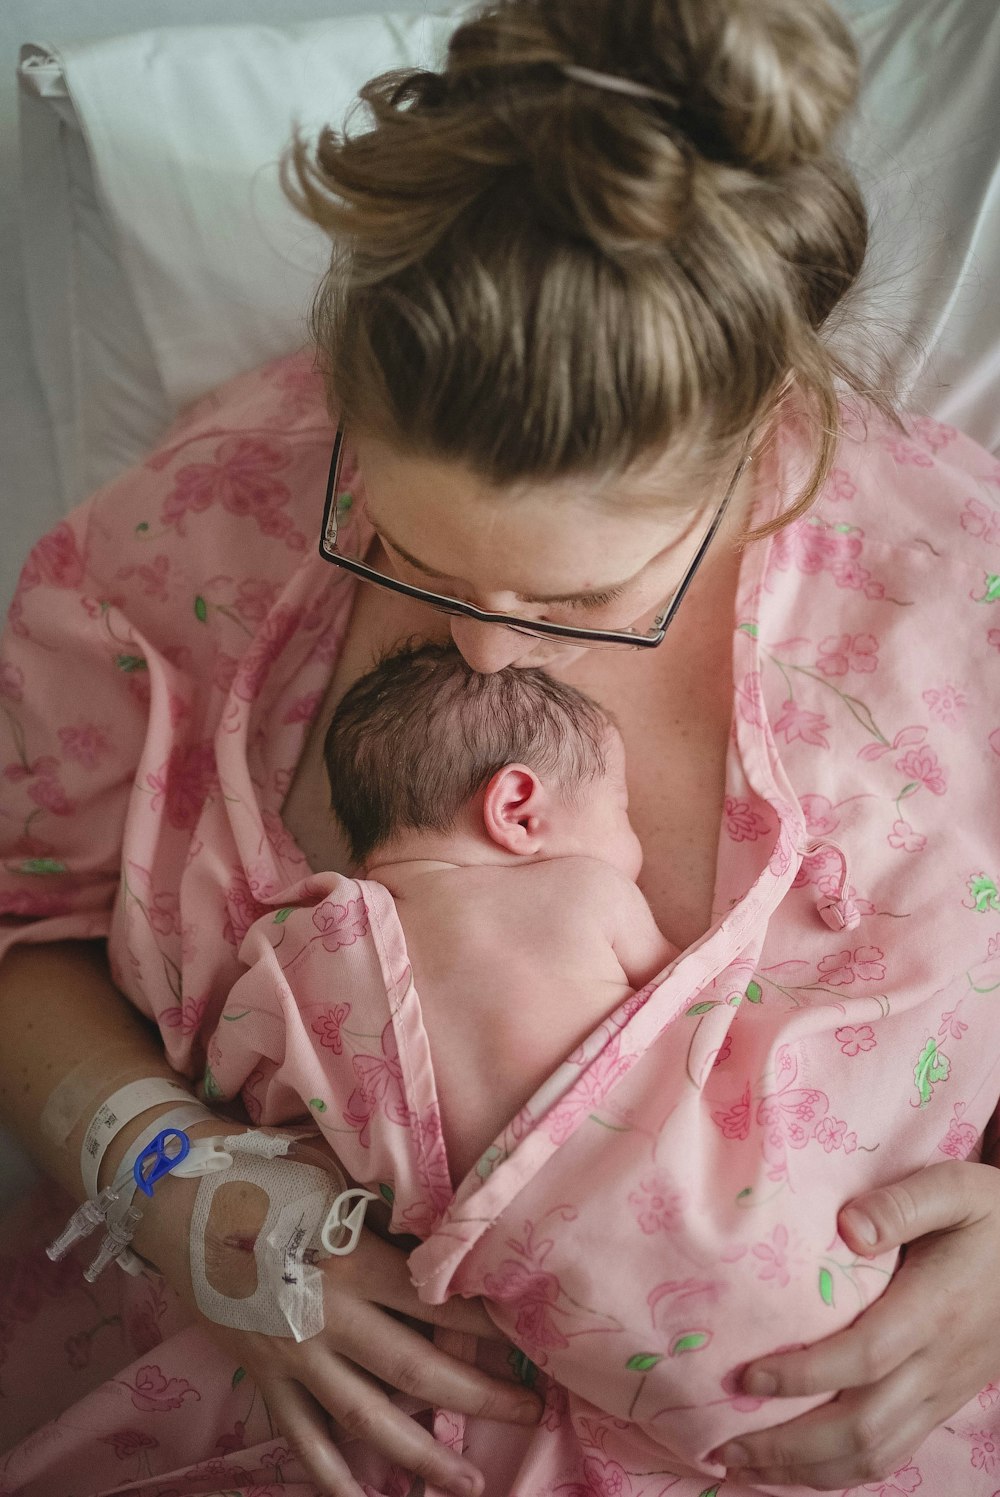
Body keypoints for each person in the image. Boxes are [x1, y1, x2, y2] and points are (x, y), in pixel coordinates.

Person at [1, 0, 1000, 1493]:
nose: (482, 649)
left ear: (750, 433)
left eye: (581, 597)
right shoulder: (194, 545)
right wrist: (171, 1180)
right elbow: (30, 930)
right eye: (414, 556)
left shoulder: (956, 608)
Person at [210, 638, 674, 1185]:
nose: (632, 835)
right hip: (630, 1170)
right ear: (518, 813)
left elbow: (244, 1078)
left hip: (459, 1225)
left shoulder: (313, 939)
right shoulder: (588, 891)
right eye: (620, 808)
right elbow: (706, 993)